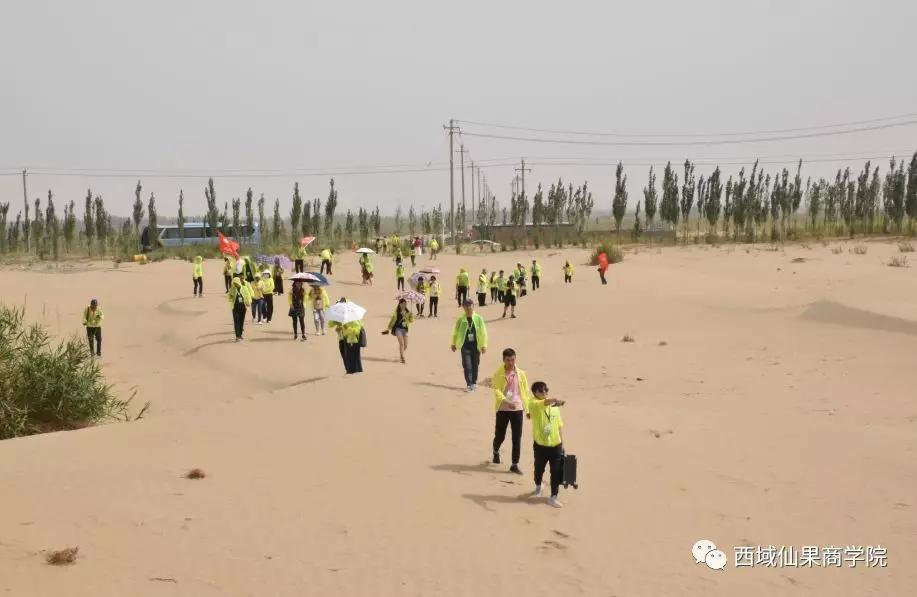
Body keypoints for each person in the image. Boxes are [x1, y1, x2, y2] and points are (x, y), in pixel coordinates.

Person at [490, 348, 532, 475]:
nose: (511, 362)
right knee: (500, 435)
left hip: (518, 408)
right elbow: (496, 391)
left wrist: (528, 409)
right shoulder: (498, 374)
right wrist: (507, 402)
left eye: (513, 359)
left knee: (516, 438)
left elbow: (525, 392)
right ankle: (496, 451)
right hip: (503, 408)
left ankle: (514, 464)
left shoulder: (521, 374)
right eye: (508, 360)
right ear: (504, 360)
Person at [528, 381, 567, 508]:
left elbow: (559, 426)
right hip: (541, 446)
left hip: (556, 445)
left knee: (555, 472)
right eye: (541, 391)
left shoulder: (555, 408)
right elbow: (543, 403)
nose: (544, 393)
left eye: (546, 390)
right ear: (534, 393)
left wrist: (562, 444)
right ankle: (538, 486)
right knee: (538, 469)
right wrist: (554, 400)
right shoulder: (533, 403)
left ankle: (553, 496)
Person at [450, 299, 488, 392]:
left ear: (473, 306)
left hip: (476, 346)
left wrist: (484, 345)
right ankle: (469, 384)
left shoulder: (479, 318)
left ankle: (474, 383)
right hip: (465, 346)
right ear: (463, 307)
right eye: (466, 306)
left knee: (475, 364)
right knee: (467, 365)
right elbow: (455, 332)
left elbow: (483, 332)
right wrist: (453, 343)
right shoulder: (461, 319)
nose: (468, 307)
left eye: (469, 305)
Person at [387, 298, 414, 363]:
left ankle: (401, 354)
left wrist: (411, 316)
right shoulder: (396, 312)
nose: (404, 305)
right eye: (403, 304)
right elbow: (392, 320)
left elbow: (411, 321)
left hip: (405, 330)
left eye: (405, 304)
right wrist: (388, 328)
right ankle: (402, 357)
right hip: (398, 329)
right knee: (401, 343)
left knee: (406, 345)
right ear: (400, 304)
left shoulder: (408, 312)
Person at [228, 278, 252, 342]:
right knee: (236, 322)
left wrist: (249, 301)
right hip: (235, 308)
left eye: (236, 283)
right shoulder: (232, 289)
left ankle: (240, 335)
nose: (235, 284)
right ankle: (237, 336)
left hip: (243, 308)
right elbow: (229, 298)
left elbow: (248, 296)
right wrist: (230, 296)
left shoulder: (244, 288)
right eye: (234, 283)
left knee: (241, 321)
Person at [328, 298, 348, 369]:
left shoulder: (349, 315)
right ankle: (348, 368)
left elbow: (355, 326)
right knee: (343, 354)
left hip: (350, 338)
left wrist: (343, 327)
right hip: (341, 338)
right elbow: (330, 325)